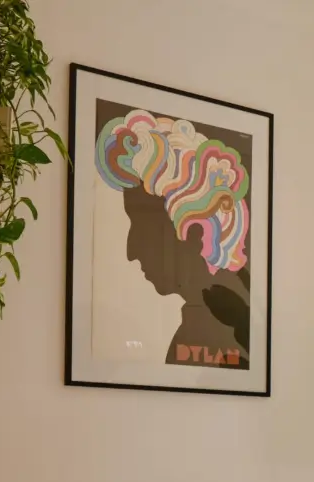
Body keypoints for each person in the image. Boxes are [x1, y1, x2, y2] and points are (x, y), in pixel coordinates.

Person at [95, 110, 252, 369]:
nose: (130, 251)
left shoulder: (219, 332)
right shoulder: (202, 330)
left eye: (142, 227)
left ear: (193, 230)